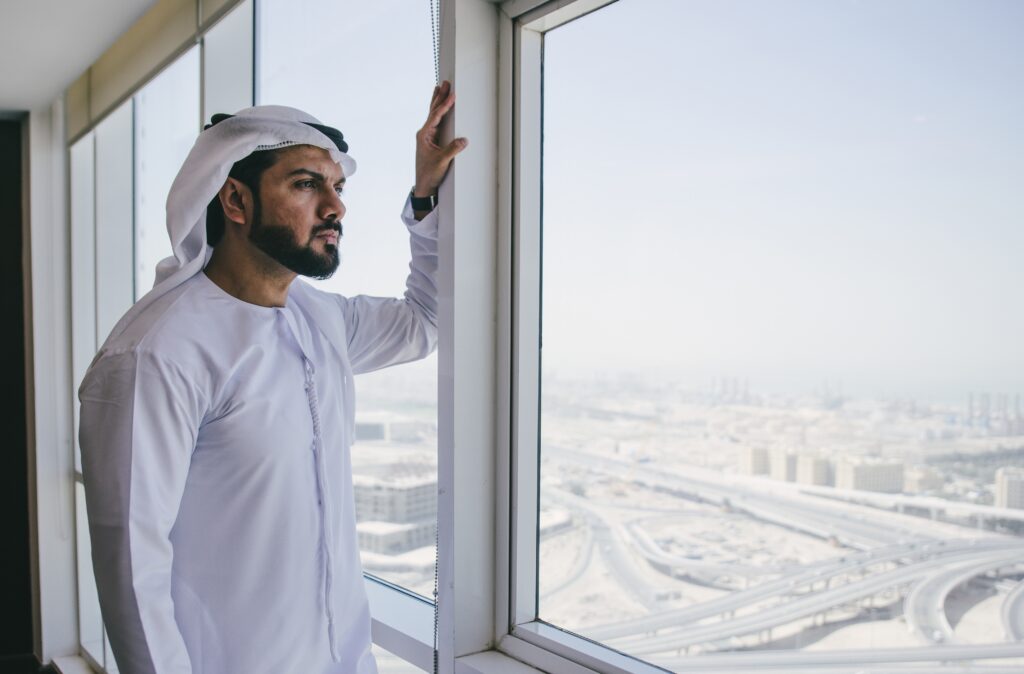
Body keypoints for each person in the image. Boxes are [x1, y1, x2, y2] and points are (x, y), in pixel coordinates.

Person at [78, 82, 467, 674]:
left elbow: (427, 320)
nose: (335, 207)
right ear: (235, 201)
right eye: (307, 184)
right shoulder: (157, 352)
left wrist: (425, 197)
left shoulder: (323, 321)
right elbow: (132, 568)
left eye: (337, 188)